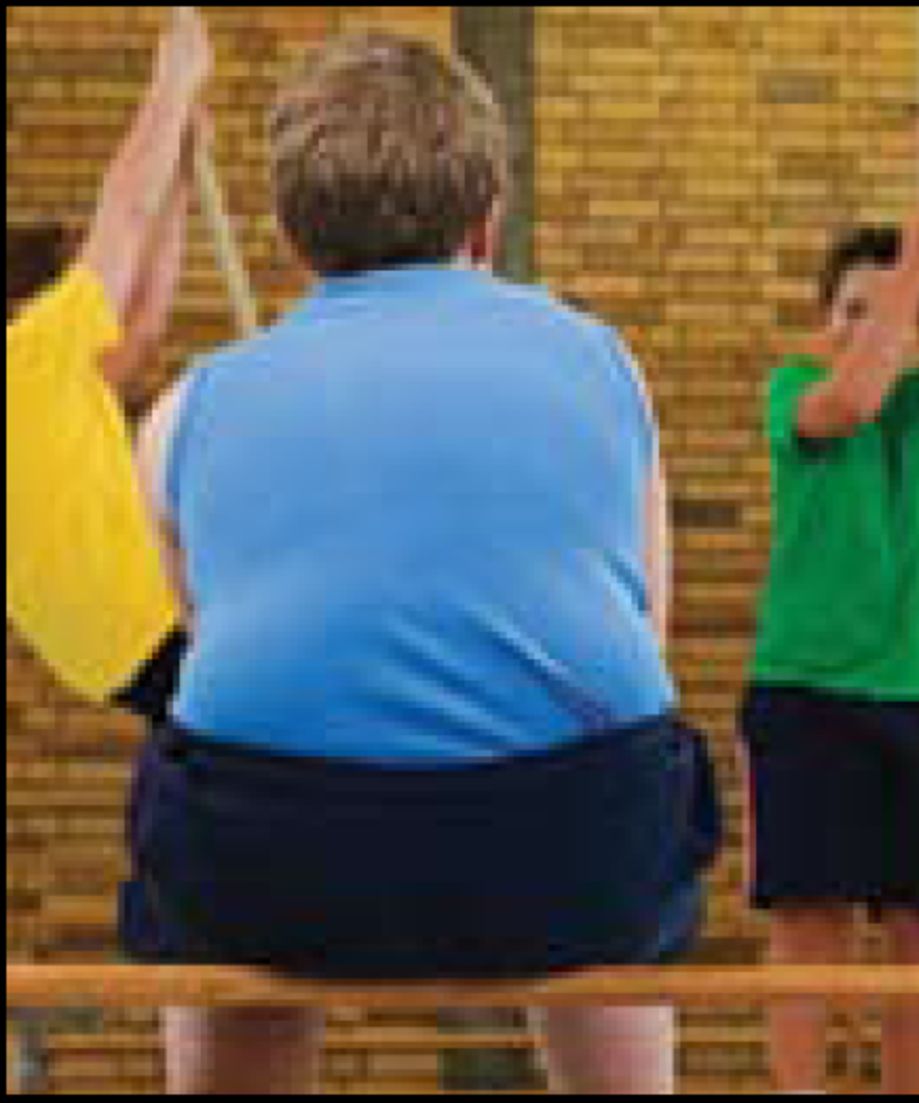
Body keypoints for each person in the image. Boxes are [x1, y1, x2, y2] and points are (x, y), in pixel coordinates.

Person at [129, 29, 718, 1096]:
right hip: (571, 845)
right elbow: (645, 632)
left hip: (279, 854)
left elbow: (217, 666)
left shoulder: (188, 409)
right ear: (488, 217)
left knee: (200, 786)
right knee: (626, 774)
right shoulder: (602, 363)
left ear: (291, 237)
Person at [739, 109, 919, 1095]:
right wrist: (908, 276)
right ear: (826, 321)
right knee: (811, 923)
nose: (874, 324)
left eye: (889, 309)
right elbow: (850, 399)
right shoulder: (794, 388)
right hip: (808, 690)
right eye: (851, 309)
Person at [6, 9, 205, 718]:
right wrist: (174, 81)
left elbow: (143, 326)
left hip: (111, 653)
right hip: (148, 625)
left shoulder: (40, 396)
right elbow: (122, 214)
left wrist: (182, 177)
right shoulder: (26, 354)